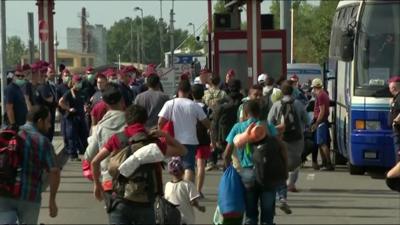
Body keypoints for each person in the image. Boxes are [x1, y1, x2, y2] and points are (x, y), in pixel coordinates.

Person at [91, 105, 187, 224]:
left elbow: (95, 162)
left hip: (120, 200)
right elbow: (182, 150)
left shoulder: (117, 138)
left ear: (127, 120)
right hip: (146, 202)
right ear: (145, 120)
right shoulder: (154, 142)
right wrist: (165, 135)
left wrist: (97, 185)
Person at [0, 106, 60, 224]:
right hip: (30, 196)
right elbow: (54, 171)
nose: (50, 126)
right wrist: (52, 200)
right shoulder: (43, 141)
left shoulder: (9, 134)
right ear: (39, 121)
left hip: (4, 193)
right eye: (48, 121)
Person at [223, 100, 279, 225]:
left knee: (250, 214)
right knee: (268, 215)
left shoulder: (238, 127)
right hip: (267, 173)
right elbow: (278, 146)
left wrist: (229, 172)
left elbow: (226, 154)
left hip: (247, 173)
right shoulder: (267, 126)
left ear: (245, 113)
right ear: (259, 112)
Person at [268, 80, 309, 214]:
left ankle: (279, 193)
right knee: (295, 162)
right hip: (297, 139)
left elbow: (269, 122)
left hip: (281, 138)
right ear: (292, 92)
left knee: (279, 165)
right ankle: (291, 184)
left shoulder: (276, 105)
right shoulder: (298, 104)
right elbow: (306, 120)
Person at [158, 80, 211, 182]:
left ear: (178, 90)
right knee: (189, 166)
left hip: (173, 140)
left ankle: (177, 190)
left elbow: (160, 122)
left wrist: (161, 135)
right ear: (189, 92)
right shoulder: (194, 105)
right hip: (190, 140)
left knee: (175, 165)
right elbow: (206, 123)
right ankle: (187, 190)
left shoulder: (170, 104)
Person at [84, 83, 126, 195]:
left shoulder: (100, 127)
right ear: (122, 101)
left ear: (105, 104)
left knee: (113, 209)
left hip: (108, 178)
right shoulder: (131, 122)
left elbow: (89, 155)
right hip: (132, 177)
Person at [207, 79, 243, 171]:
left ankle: (228, 175)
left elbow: (214, 122)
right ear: (240, 88)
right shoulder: (244, 102)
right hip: (242, 133)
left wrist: (214, 139)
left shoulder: (222, 103)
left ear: (228, 88)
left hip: (224, 134)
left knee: (227, 157)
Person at [164, 158, 206, 225]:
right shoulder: (188, 185)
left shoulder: (167, 185)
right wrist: (200, 207)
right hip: (186, 219)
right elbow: (193, 202)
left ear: (170, 172)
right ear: (183, 171)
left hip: (172, 218)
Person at [58, 74, 89, 161]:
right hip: (72, 117)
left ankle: (86, 153)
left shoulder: (82, 92)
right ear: (73, 83)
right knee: (72, 136)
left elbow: (85, 102)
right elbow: (61, 102)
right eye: (78, 82)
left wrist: (86, 107)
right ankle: (73, 155)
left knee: (84, 135)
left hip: (81, 116)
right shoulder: (69, 92)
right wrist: (68, 109)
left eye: (80, 82)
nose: (79, 84)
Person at [192, 84, 211, 197]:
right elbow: (210, 124)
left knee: (188, 165)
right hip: (203, 138)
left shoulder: (189, 106)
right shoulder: (206, 108)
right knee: (201, 165)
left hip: (190, 137)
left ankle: (189, 190)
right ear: (203, 94)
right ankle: (198, 190)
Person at [310, 78, 334, 171]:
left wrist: (317, 123)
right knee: (320, 143)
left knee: (322, 143)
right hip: (322, 121)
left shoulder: (320, 96)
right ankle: (324, 162)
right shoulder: (323, 94)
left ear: (315, 87)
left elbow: (322, 111)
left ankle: (328, 163)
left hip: (321, 121)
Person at [36, 66, 58, 141]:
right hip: (45, 114)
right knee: (46, 135)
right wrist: (54, 99)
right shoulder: (42, 86)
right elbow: (50, 99)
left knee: (50, 133)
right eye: (50, 72)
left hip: (51, 113)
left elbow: (54, 98)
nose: (53, 74)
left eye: (53, 72)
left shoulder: (51, 85)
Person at [389, 76, 400, 162]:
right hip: (396, 128)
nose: (390, 90)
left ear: (393, 88)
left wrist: (396, 120)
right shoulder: (396, 98)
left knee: (398, 151)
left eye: (390, 88)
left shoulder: (399, 97)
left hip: (398, 128)